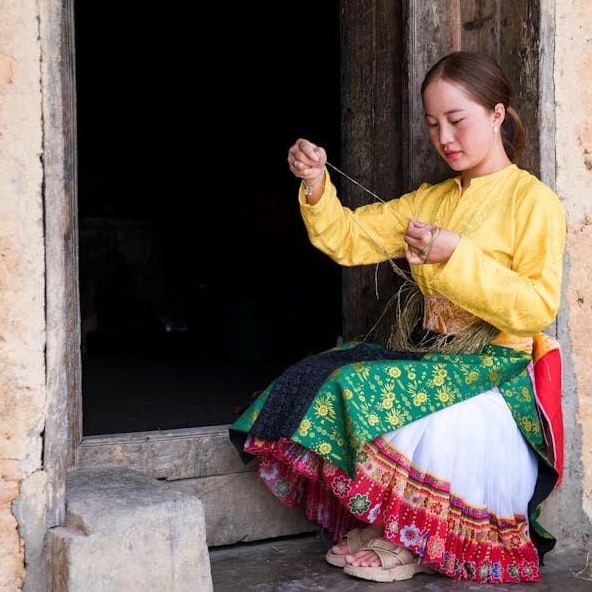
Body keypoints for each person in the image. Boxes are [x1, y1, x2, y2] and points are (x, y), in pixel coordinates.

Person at [229, 50, 567, 584]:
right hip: (435, 353)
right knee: (325, 371)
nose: (444, 137)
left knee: (361, 385)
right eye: (434, 124)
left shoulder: (533, 202)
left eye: (457, 120)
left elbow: (536, 307)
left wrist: (456, 256)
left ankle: (406, 534)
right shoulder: (431, 200)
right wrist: (317, 184)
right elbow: (347, 238)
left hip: (494, 363)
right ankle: (387, 518)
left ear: (497, 114)